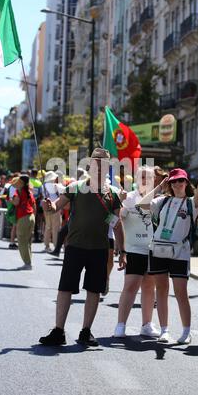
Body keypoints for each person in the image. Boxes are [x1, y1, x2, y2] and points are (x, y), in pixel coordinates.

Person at [39, 148, 126, 347]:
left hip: (99, 249)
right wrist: (48, 206)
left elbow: (117, 224)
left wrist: (123, 251)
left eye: (103, 164)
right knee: (65, 288)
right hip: (75, 247)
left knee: (93, 290)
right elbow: (56, 206)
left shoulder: (112, 194)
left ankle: (86, 331)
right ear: (90, 165)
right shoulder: (76, 187)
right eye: (96, 162)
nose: (99, 166)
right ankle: (58, 331)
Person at [138, 164, 198, 344]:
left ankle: (186, 332)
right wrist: (159, 187)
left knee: (180, 292)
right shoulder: (162, 200)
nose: (178, 183)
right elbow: (142, 205)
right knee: (161, 290)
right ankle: (164, 330)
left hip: (180, 251)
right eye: (174, 181)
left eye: (181, 180)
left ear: (186, 182)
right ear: (170, 184)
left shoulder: (191, 203)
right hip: (158, 249)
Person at [114, 166, 160, 338]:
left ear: (153, 180)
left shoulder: (158, 199)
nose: (144, 180)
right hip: (133, 249)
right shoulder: (128, 197)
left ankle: (147, 325)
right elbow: (115, 218)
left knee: (149, 287)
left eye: (148, 177)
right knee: (131, 286)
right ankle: (120, 325)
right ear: (135, 179)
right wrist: (120, 205)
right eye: (141, 176)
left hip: (153, 249)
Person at [11, 174, 36, 270]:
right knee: (28, 241)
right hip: (31, 216)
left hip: (23, 217)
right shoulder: (29, 191)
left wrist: (11, 200)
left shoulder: (18, 191)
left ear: (21, 183)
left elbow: (16, 202)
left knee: (22, 241)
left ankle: (27, 263)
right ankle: (29, 262)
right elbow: (34, 206)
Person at [42, 171, 64, 253]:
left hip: (46, 207)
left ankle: (46, 245)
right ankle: (56, 245)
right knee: (56, 227)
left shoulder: (43, 186)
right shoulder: (56, 185)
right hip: (55, 206)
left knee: (48, 226)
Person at [30, 169, 43, 242]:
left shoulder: (28, 182)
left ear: (31, 173)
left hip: (28, 202)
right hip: (36, 202)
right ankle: (36, 236)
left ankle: (28, 235)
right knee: (35, 219)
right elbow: (41, 194)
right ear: (36, 174)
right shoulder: (39, 183)